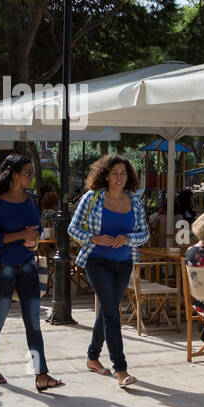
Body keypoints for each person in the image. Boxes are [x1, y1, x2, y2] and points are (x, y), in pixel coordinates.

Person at [0, 154, 63, 391]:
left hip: (27, 265)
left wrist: (33, 240)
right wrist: (21, 236)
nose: (31, 177)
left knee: (33, 322)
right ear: (14, 175)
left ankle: (41, 373)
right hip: (1, 267)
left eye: (32, 173)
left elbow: (34, 231)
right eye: (27, 173)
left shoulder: (32, 199)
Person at [68, 154, 150, 387]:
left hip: (124, 262)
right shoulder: (92, 198)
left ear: (129, 176)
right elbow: (72, 228)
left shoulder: (134, 200)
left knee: (107, 310)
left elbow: (145, 234)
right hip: (97, 261)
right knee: (112, 312)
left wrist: (128, 238)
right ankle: (120, 369)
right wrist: (93, 237)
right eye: (114, 173)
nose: (119, 177)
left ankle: (92, 357)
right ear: (105, 175)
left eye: (123, 173)